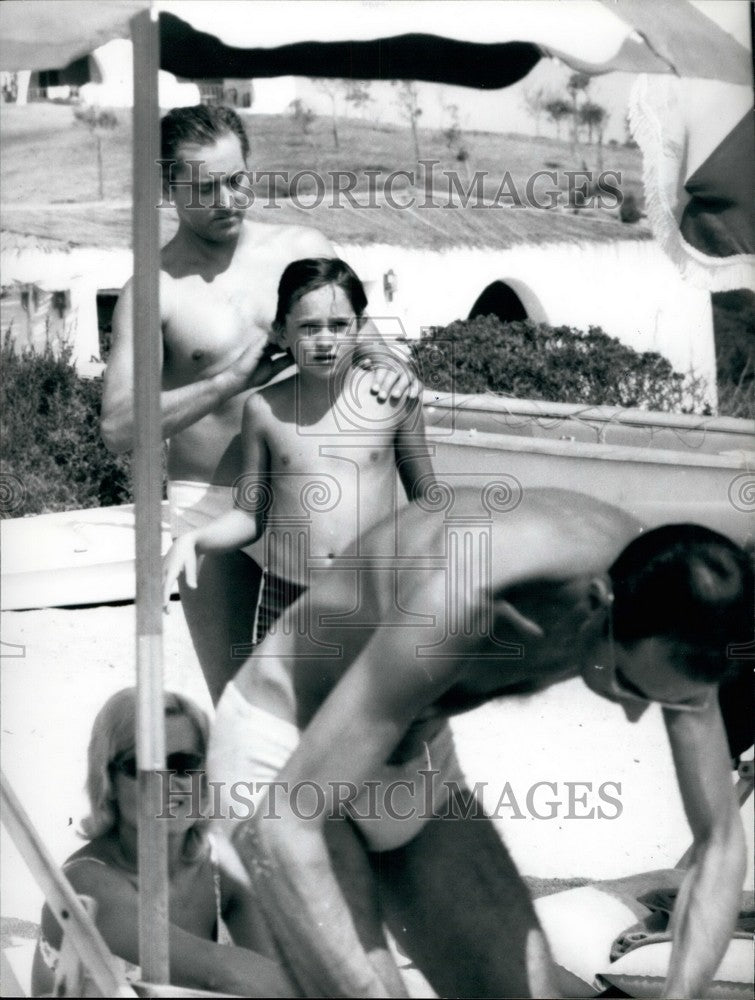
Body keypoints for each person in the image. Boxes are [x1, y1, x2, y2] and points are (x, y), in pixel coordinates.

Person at [206, 486, 752, 998]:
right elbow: (282, 827)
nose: (636, 714)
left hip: (412, 756)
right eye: (628, 685)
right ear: (597, 602)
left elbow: (721, 843)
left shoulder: (679, 608)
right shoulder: (464, 590)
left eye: (664, 701)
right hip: (288, 758)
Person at [101, 105, 417, 704]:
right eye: (205, 186)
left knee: (339, 692)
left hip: (308, 484)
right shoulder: (153, 290)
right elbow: (118, 426)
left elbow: (372, 352)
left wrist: (400, 377)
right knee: (242, 703)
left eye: (237, 178)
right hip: (210, 502)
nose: (228, 198)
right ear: (168, 186)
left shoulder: (301, 247)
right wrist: (228, 380)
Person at [162, 257, 435, 646]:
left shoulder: (393, 401)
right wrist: (193, 540)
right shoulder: (264, 410)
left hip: (374, 594)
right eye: (308, 328)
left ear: (360, 327)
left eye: (339, 326)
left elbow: (429, 503)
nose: (325, 340)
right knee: (279, 707)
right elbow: (249, 516)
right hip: (286, 598)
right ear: (281, 333)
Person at [31, 687, 294, 997]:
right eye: (145, 769)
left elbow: (279, 978)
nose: (167, 785)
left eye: (184, 764)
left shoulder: (220, 877)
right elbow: (218, 975)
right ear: (109, 781)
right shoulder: (85, 883)